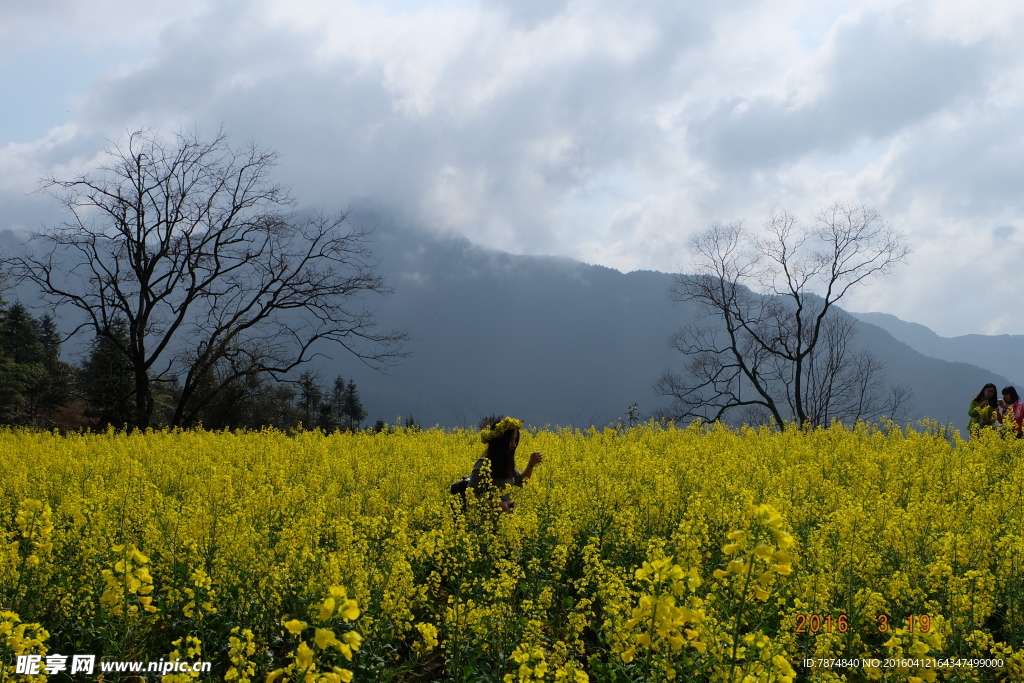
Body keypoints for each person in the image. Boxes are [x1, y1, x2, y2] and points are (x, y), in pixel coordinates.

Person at [468, 415, 543, 513]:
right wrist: (497, 505)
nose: (514, 445)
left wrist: (531, 464)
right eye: (511, 440)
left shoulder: (505, 463)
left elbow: (521, 482)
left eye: (515, 440)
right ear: (500, 441)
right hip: (484, 521)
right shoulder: (484, 465)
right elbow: (470, 497)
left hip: (503, 520)